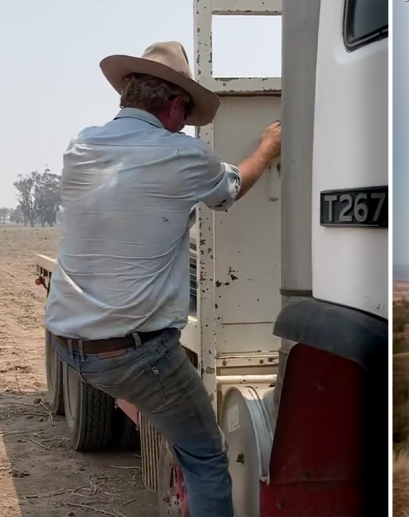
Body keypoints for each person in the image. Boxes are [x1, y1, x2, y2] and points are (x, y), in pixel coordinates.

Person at [45, 41, 281, 516]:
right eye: (187, 113)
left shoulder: (81, 144)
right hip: (135, 353)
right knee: (207, 456)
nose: (187, 123)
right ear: (175, 106)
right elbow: (231, 187)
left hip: (69, 341)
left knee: (178, 423)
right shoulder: (183, 155)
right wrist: (267, 147)